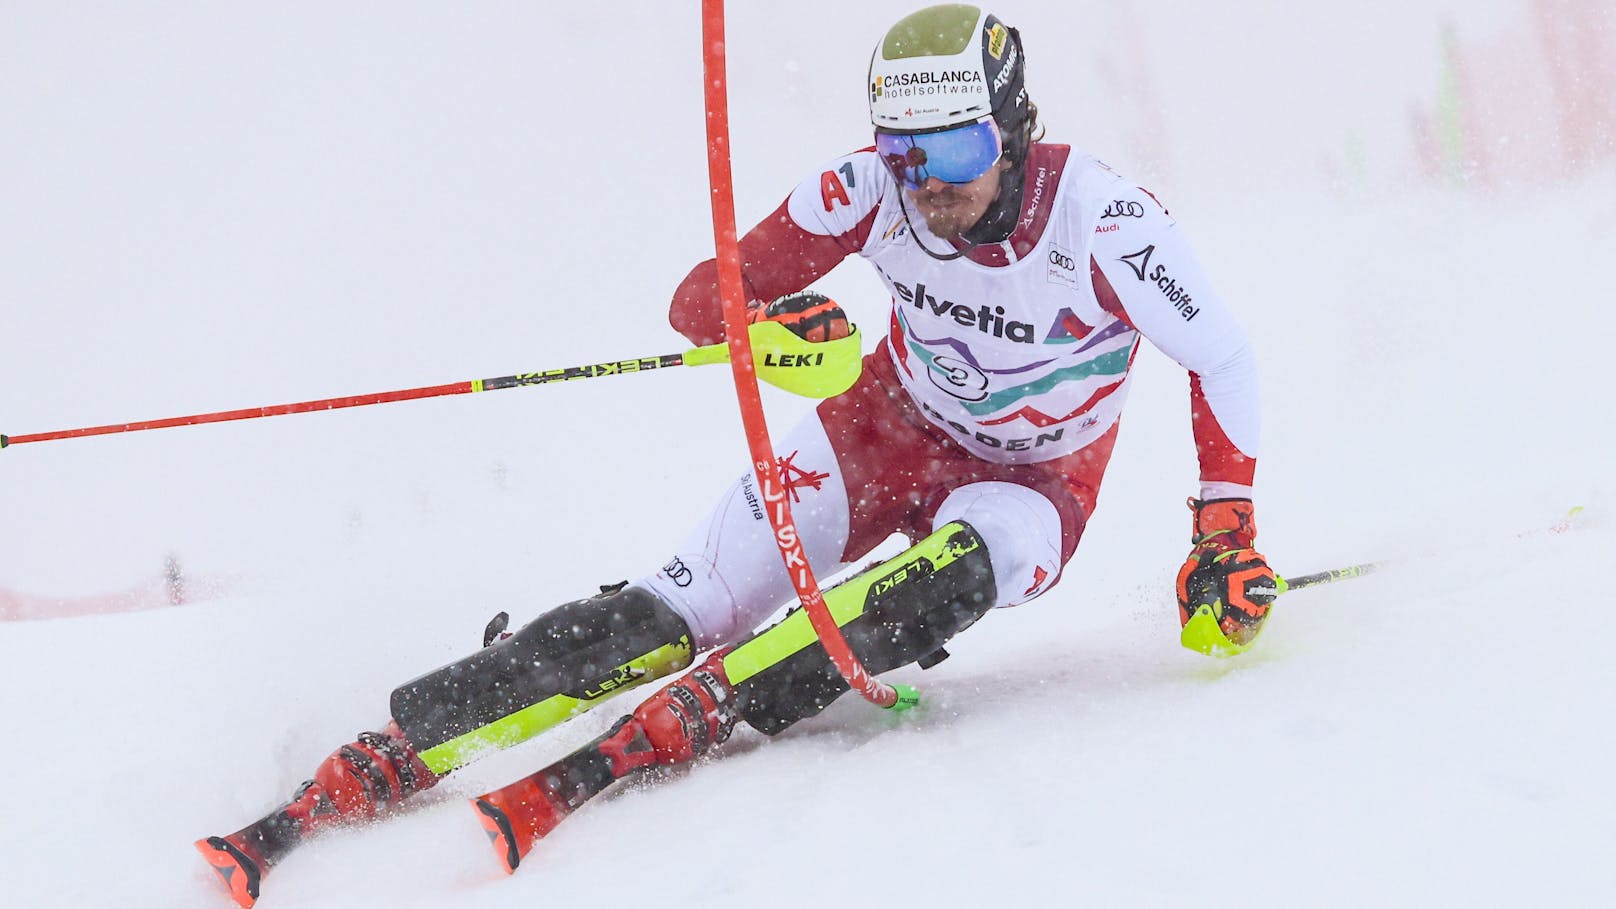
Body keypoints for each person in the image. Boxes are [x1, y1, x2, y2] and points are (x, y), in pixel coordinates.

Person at [196, 5, 1277, 904]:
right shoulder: (865, 191)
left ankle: (713, 709)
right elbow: (696, 300)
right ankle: (399, 741)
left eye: (955, 150)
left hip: (1033, 482)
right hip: (881, 431)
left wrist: (1222, 529)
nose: (929, 185)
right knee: (668, 619)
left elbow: (1220, 359)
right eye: (906, 154)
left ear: (1011, 127)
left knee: (937, 585)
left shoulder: (1104, 221)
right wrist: (768, 327)